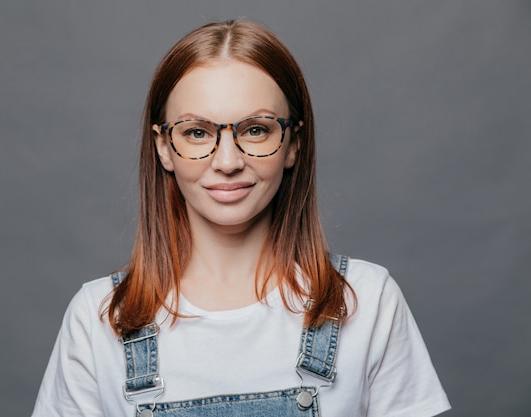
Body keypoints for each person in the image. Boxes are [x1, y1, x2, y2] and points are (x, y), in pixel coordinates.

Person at [32, 19, 451, 417]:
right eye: (196, 132)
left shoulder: (366, 301)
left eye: (256, 129)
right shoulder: (100, 317)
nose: (227, 161)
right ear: (163, 147)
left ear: (292, 144)